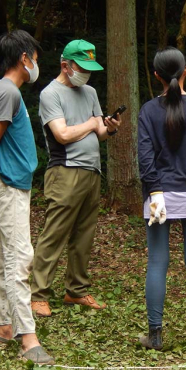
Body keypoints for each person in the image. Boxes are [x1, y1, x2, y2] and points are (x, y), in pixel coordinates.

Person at [0, 29, 54, 365]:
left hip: (8, 183)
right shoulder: (9, 93)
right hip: (8, 185)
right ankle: (28, 339)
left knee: (3, 257)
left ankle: (3, 328)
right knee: (20, 258)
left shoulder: (3, 91)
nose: (37, 64)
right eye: (35, 58)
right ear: (24, 58)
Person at [30, 39, 120, 317]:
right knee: (54, 234)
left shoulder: (90, 91)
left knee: (84, 236)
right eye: (81, 68)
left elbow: (99, 133)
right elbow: (63, 135)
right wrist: (94, 123)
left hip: (92, 172)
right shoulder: (50, 94)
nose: (86, 74)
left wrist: (110, 128)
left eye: (90, 69)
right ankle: (38, 294)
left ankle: (76, 291)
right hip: (64, 172)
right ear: (65, 66)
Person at [137, 47, 186, 351]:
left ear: (157, 75)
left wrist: (156, 193)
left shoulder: (148, 110)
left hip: (159, 197)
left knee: (157, 261)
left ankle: (155, 335)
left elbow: (145, 158)